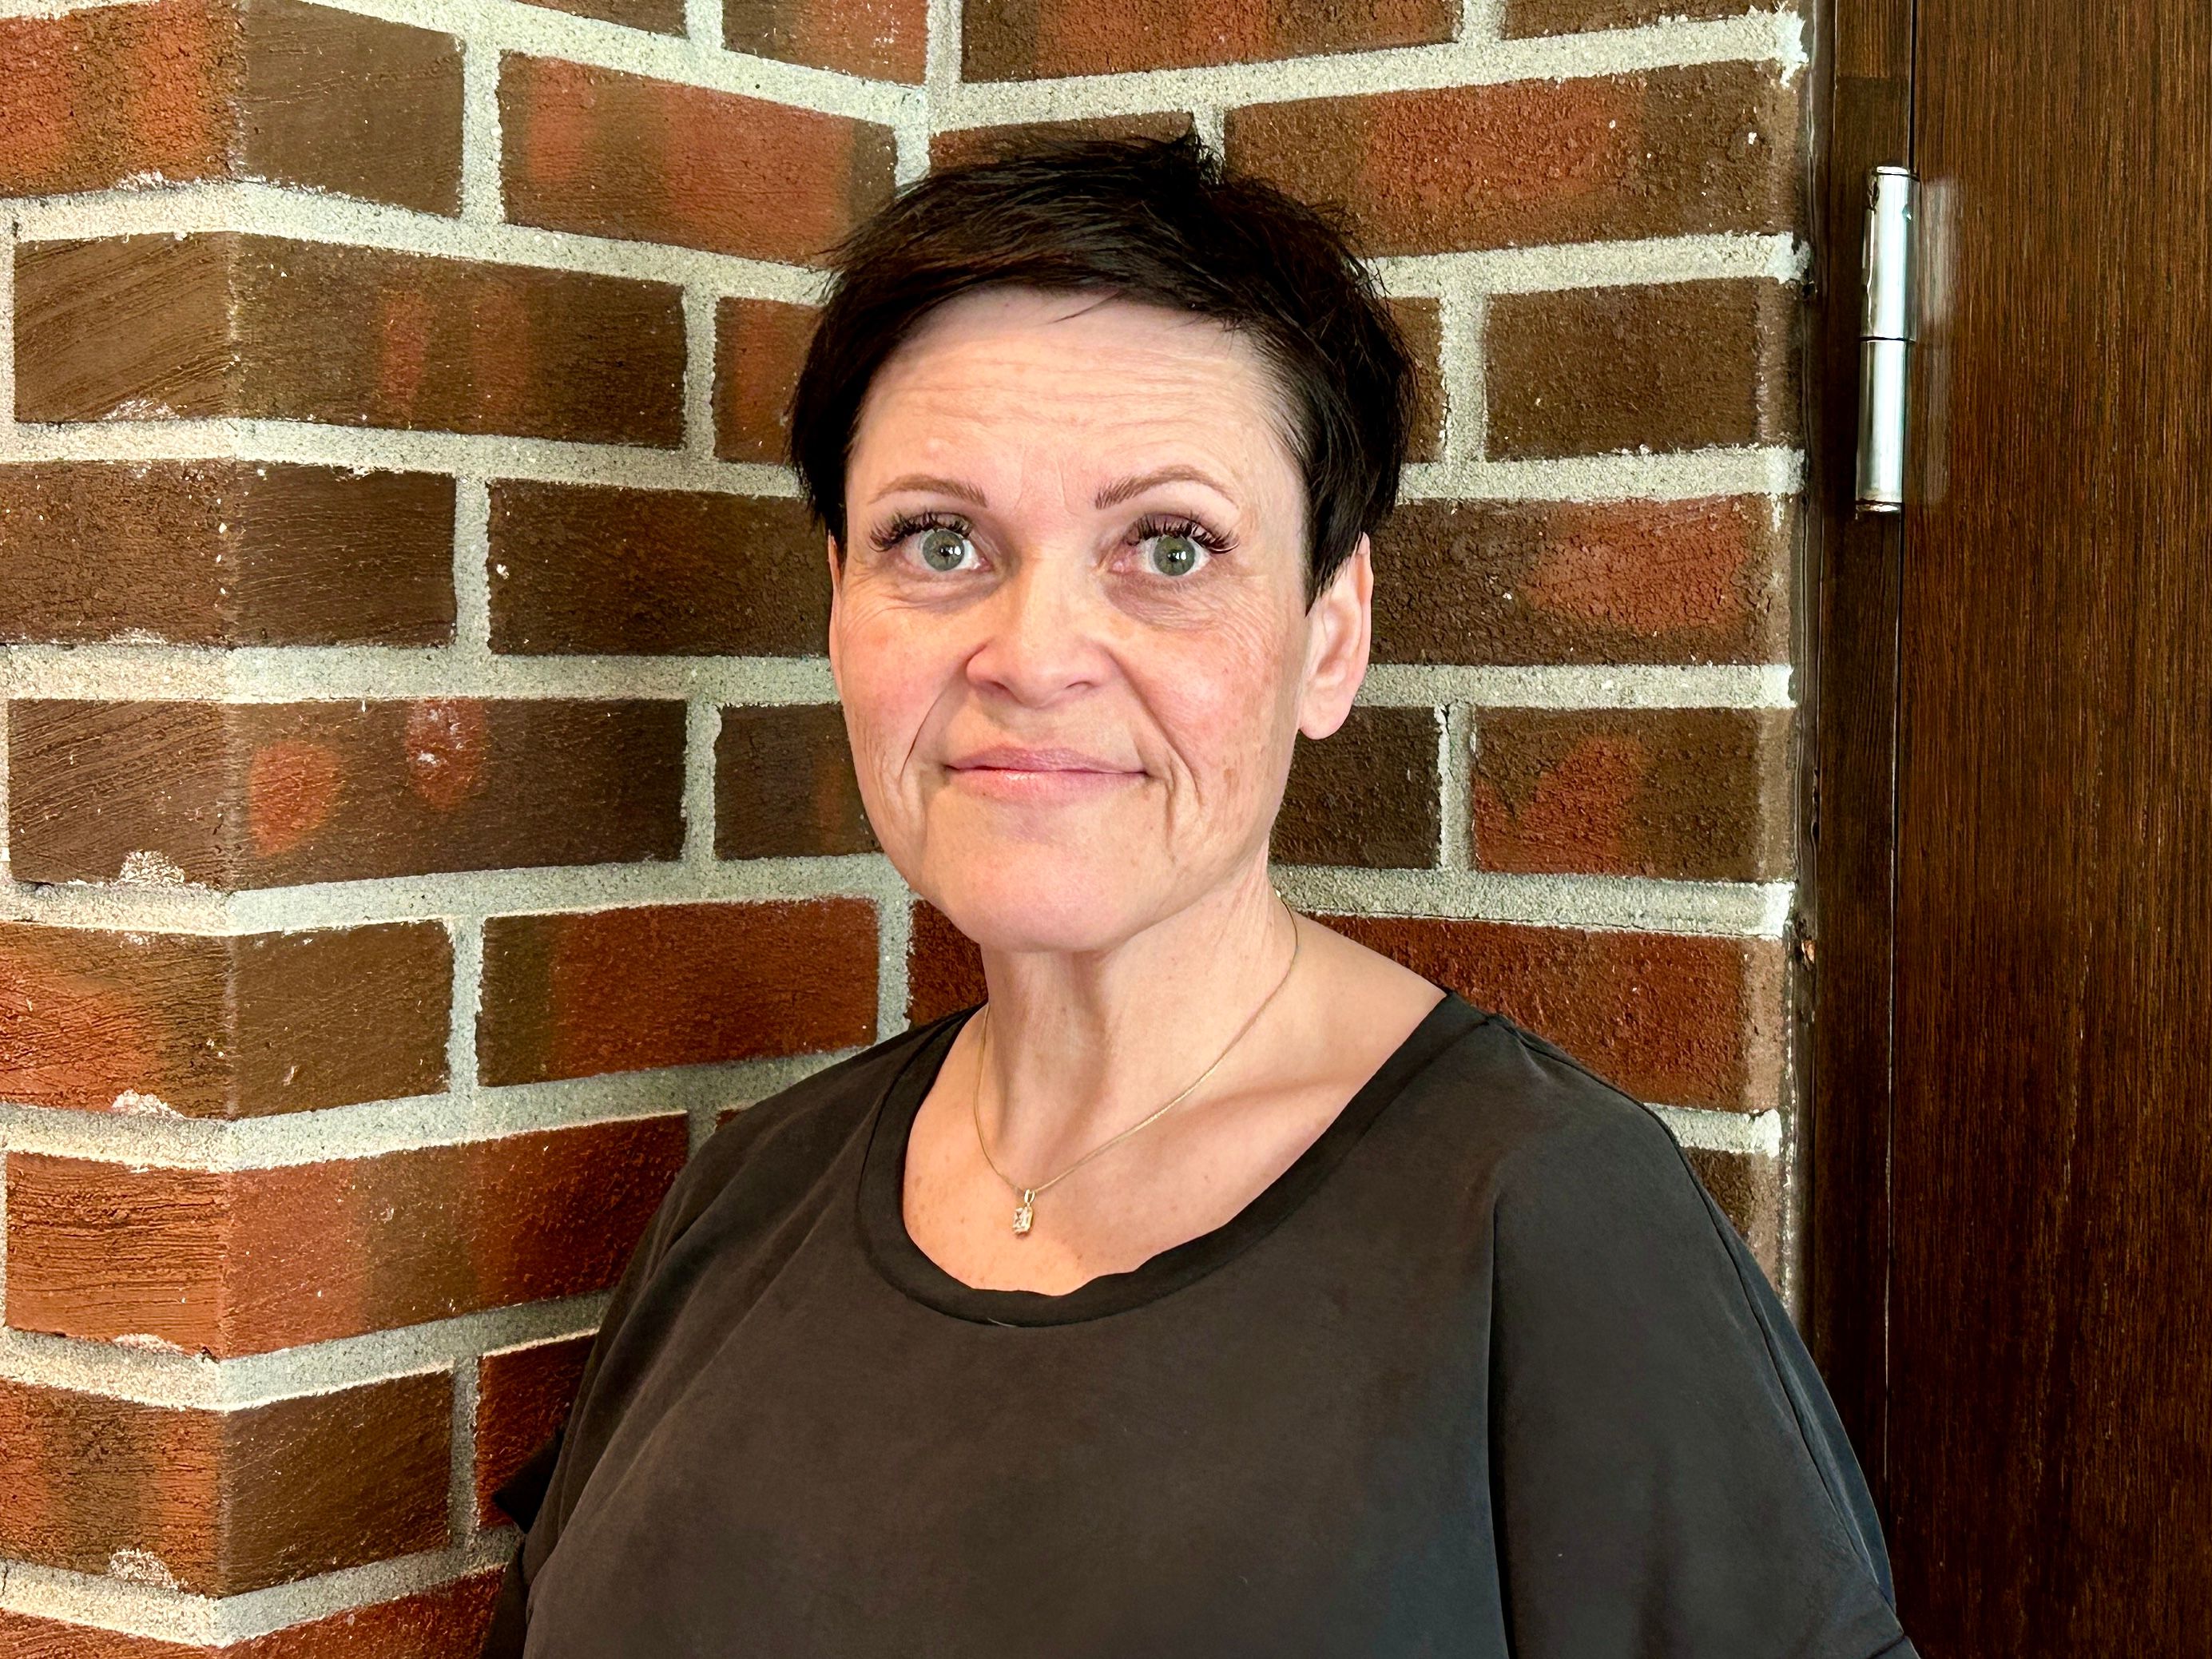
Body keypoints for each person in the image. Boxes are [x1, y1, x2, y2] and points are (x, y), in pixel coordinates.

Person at [479, 133, 1917, 1657]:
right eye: (938, 540)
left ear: (1329, 635)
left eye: (1168, 546)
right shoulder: (740, 1201)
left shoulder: (1543, 1226)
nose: (1033, 656)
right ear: (841, 601)